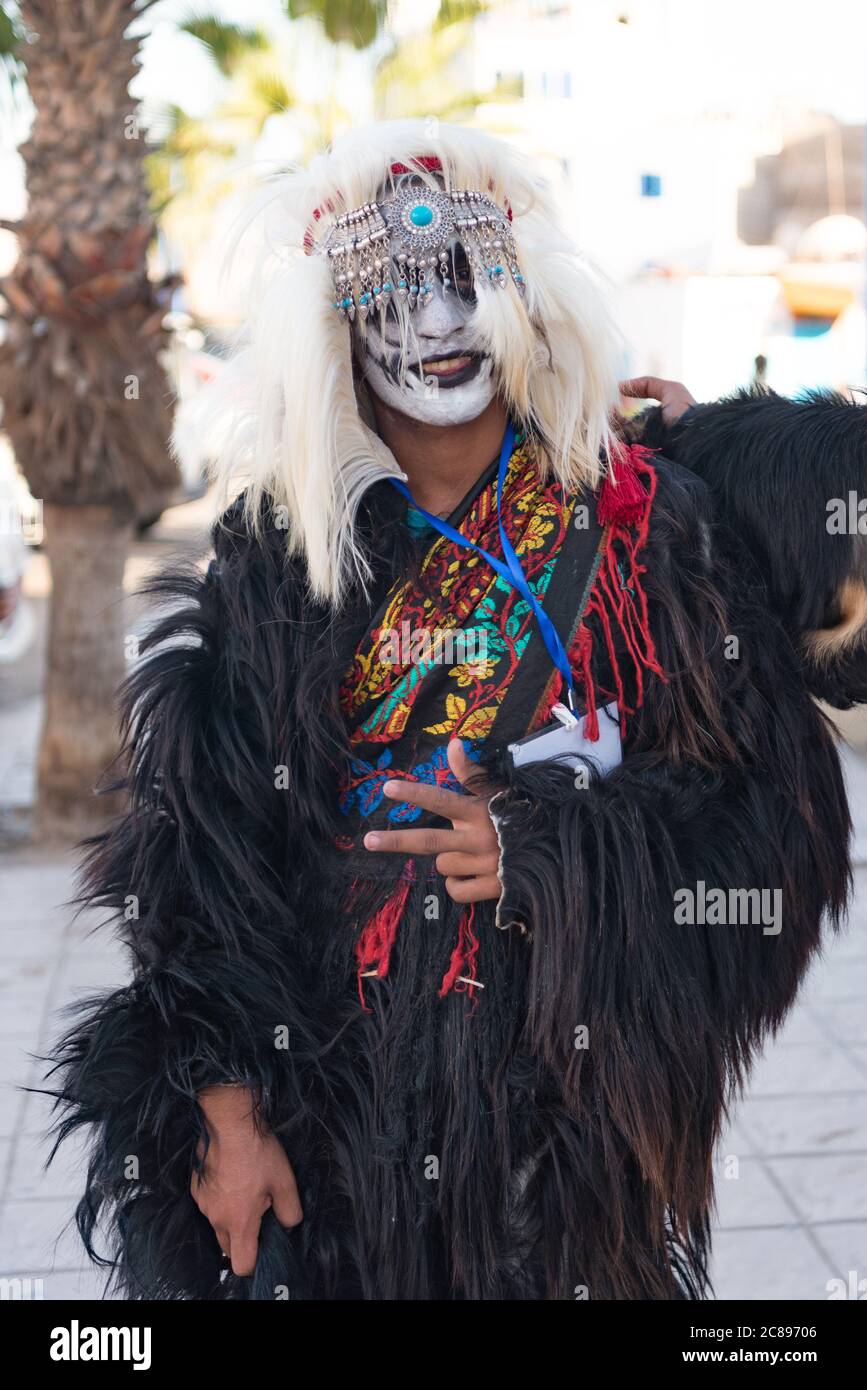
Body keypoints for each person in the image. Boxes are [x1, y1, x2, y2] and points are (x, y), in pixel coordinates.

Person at [46, 120, 867, 1300]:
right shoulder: (282, 560)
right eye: (392, 290)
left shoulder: (648, 523)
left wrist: (548, 851)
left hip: (568, 1145)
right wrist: (224, 1116)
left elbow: (769, 818)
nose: (435, 323)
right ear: (337, 328)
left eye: (466, 281)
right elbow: (193, 862)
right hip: (330, 1120)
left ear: (524, 297)